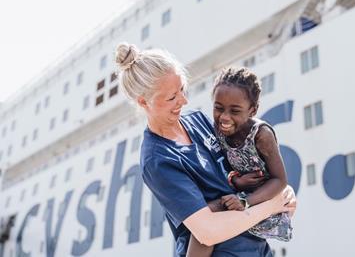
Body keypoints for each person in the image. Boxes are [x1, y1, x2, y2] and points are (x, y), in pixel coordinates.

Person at [115, 42, 297, 257]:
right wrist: (272, 205)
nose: (184, 100)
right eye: (172, 97)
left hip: (257, 248)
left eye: (182, 89)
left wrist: (281, 189)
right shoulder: (157, 160)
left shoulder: (198, 120)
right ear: (144, 102)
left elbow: (244, 166)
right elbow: (207, 232)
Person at [186, 67, 293, 257]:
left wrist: (245, 201)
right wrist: (235, 180)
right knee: (203, 219)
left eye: (235, 111)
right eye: (218, 108)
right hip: (239, 194)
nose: (225, 117)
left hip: (263, 200)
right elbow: (224, 165)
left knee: (210, 213)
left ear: (253, 110)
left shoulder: (261, 135)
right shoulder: (218, 130)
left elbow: (280, 180)